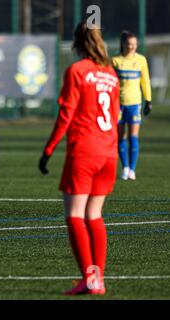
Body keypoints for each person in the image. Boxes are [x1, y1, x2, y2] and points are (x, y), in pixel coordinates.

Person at [38, 22, 120, 295]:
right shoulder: (110, 74)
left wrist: (48, 149)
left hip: (84, 151)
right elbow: (116, 117)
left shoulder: (77, 71)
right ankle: (99, 280)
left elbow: (66, 115)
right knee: (94, 215)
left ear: (76, 43)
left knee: (74, 215)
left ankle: (88, 277)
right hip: (108, 153)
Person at [112, 31, 152, 180]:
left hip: (135, 104)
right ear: (123, 45)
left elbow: (145, 81)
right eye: (129, 45)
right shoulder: (115, 61)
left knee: (134, 137)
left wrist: (148, 100)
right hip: (118, 105)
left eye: (134, 45)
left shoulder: (141, 60)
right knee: (121, 137)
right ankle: (125, 167)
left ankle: (132, 170)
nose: (132, 47)